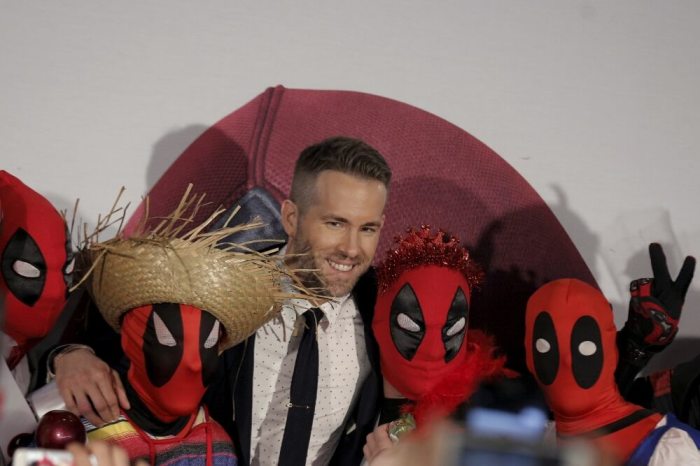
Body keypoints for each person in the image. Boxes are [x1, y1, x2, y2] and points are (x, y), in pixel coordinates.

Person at [52, 136, 392, 465]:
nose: (351, 248)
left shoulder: (389, 311)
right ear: (291, 217)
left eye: (368, 229)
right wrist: (70, 354)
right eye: (335, 223)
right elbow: (120, 322)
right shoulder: (215, 282)